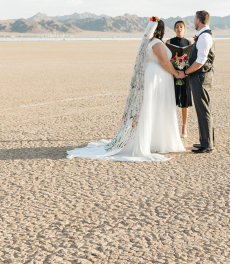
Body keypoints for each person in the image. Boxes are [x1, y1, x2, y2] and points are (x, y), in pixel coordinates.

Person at [67, 18, 185, 162]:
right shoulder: (157, 43)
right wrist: (176, 72)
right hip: (155, 77)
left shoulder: (147, 43)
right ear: (161, 29)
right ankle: (156, 141)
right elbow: (165, 62)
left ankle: (153, 139)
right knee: (155, 106)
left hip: (151, 75)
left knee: (151, 107)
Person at [177, 10, 215, 153]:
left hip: (201, 78)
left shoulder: (205, 37)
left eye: (194, 18)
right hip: (200, 77)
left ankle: (207, 145)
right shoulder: (203, 35)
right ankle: (205, 141)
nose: (193, 21)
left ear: (198, 20)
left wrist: (185, 72)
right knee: (202, 110)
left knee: (203, 110)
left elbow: (200, 61)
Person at [166, 20, 194, 138]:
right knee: (171, 101)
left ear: (185, 29)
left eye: (181, 27)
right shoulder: (169, 42)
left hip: (185, 75)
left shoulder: (189, 42)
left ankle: (184, 126)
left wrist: (185, 70)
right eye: (177, 27)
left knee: (184, 102)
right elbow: (166, 58)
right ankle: (171, 127)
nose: (179, 29)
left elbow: (191, 59)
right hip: (172, 75)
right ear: (174, 29)